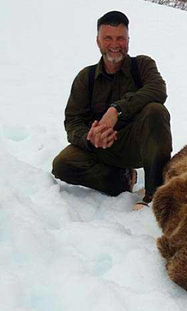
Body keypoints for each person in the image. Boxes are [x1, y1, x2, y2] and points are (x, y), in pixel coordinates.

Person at [52, 11, 172, 210]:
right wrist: (90, 138)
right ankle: (122, 179)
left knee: (155, 110)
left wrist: (116, 110)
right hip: (102, 148)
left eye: (120, 38)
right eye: (108, 38)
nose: (115, 44)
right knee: (63, 164)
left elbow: (158, 90)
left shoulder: (142, 65)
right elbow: (73, 120)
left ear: (128, 40)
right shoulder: (86, 77)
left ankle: (155, 193)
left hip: (138, 145)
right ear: (98, 41)